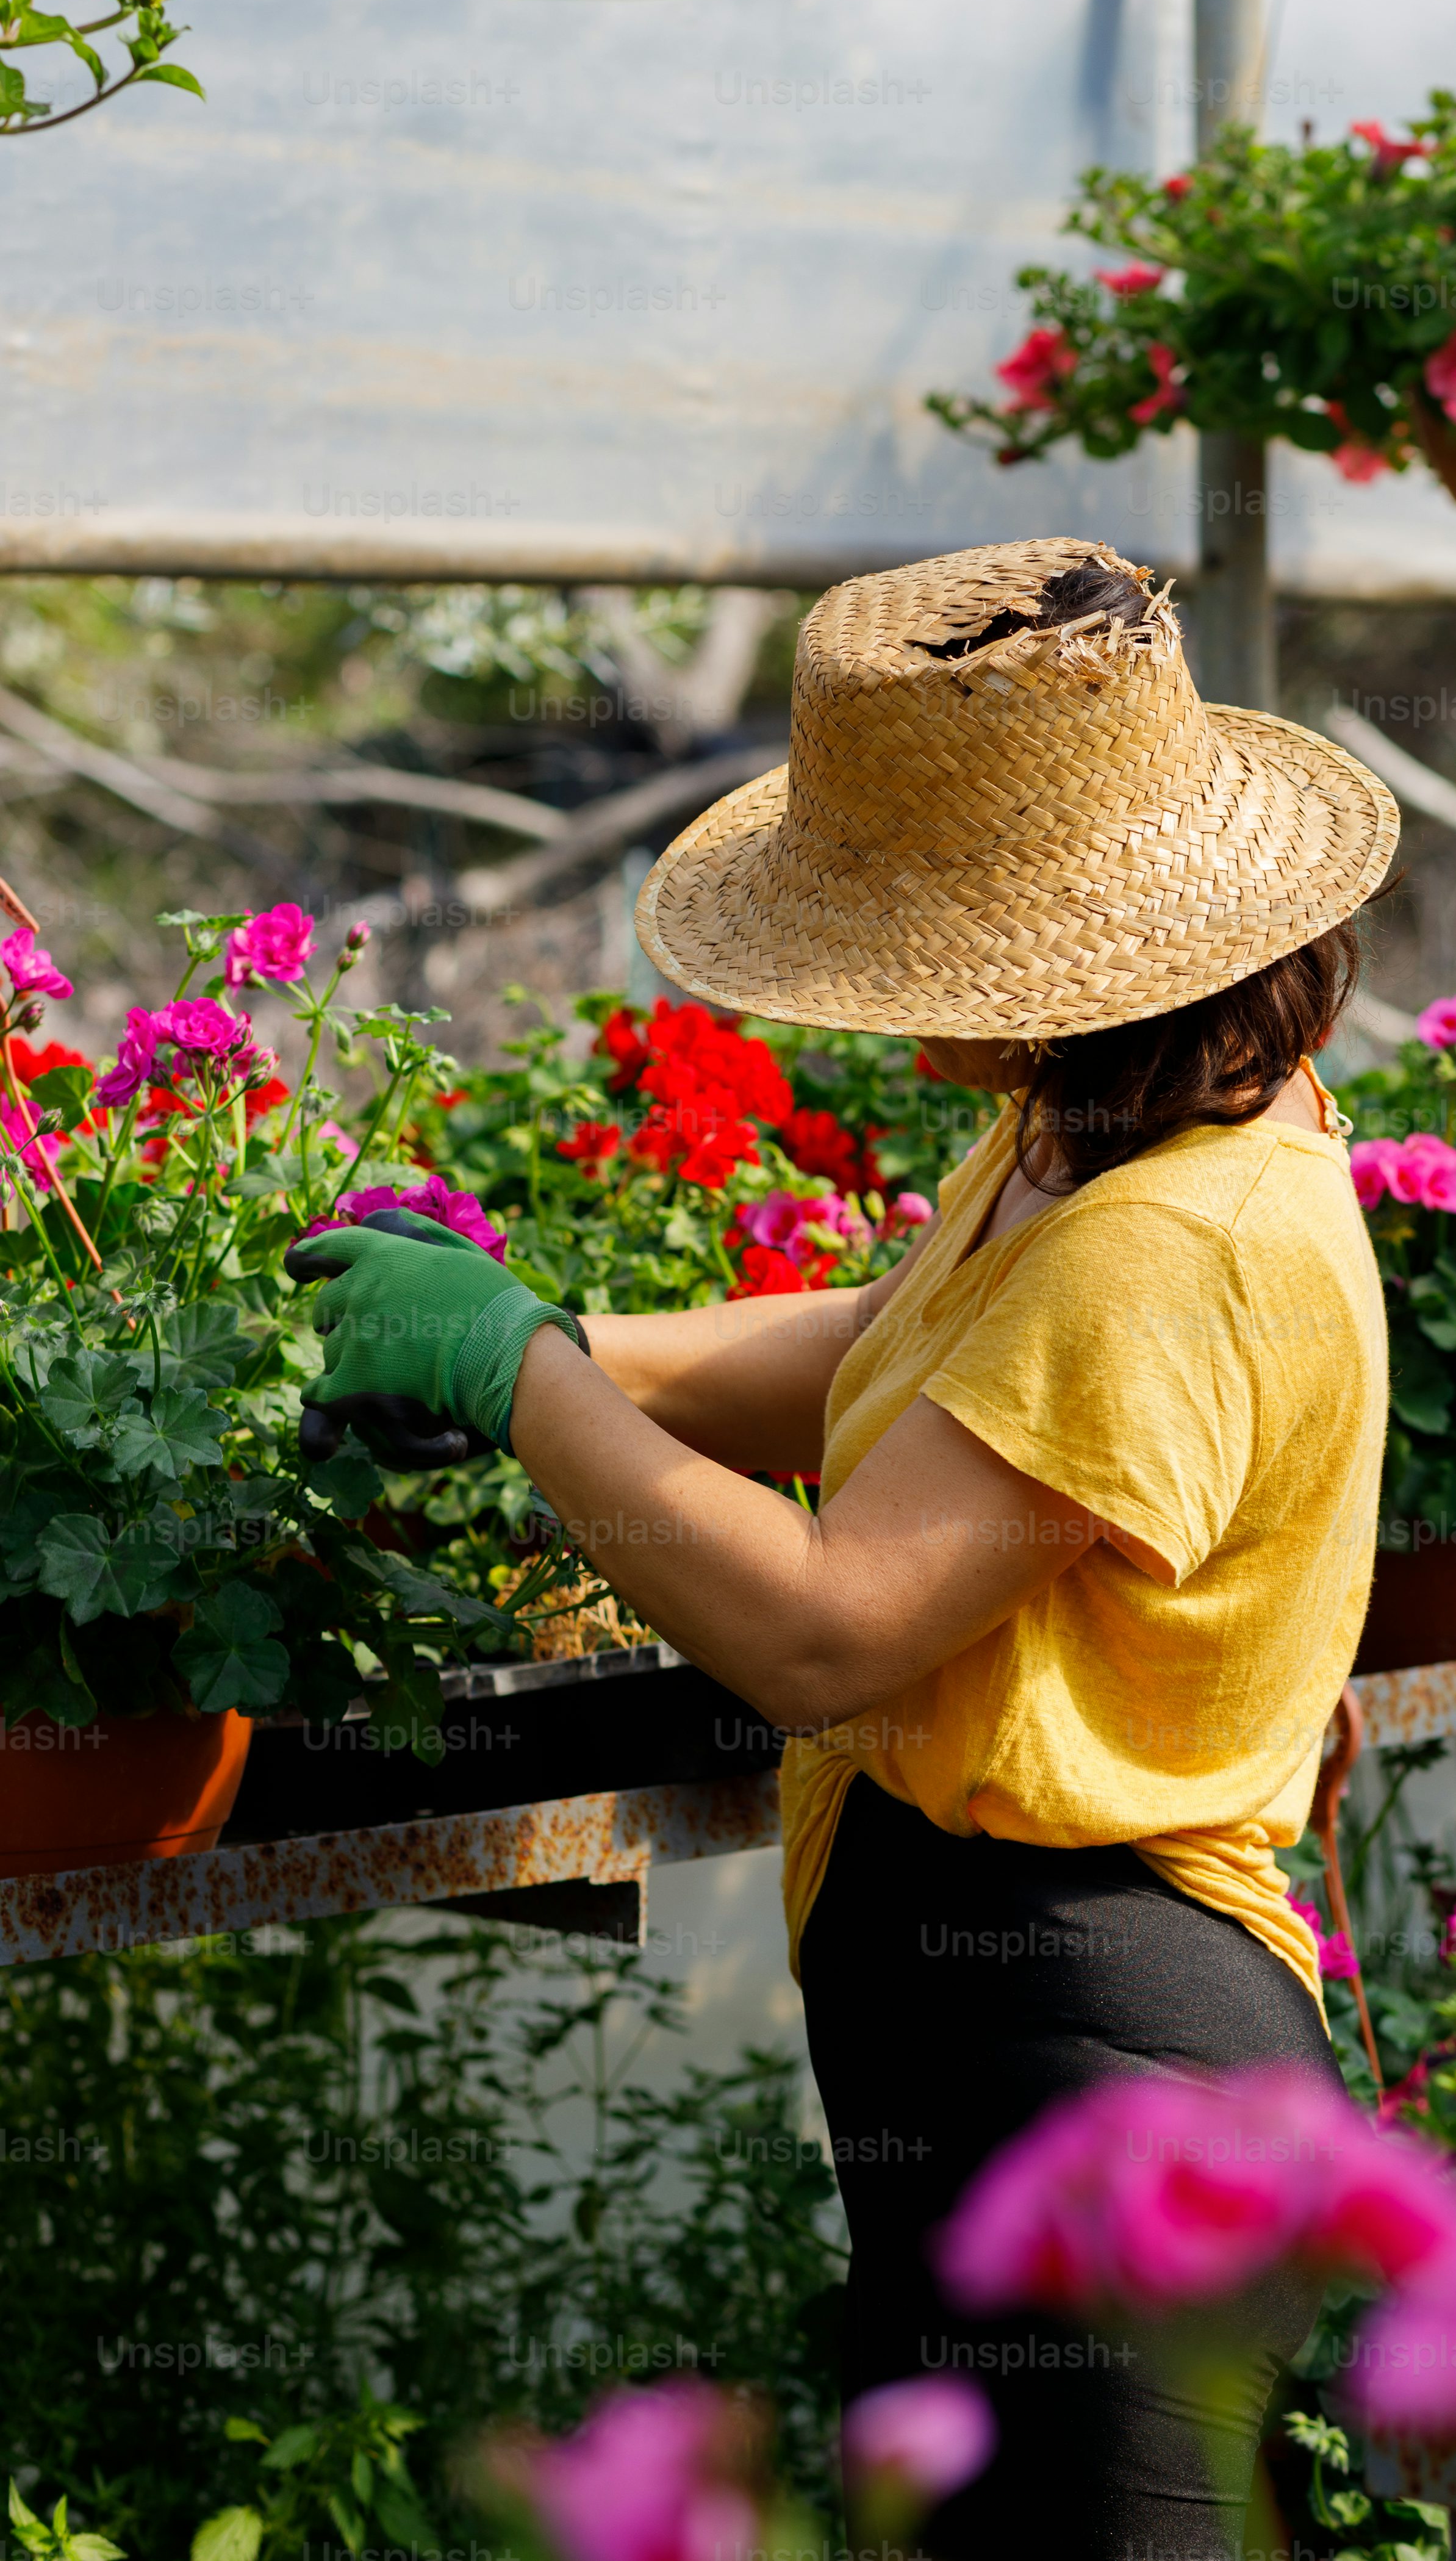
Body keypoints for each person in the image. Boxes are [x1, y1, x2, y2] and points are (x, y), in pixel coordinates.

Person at [290, 539, 1400, 2560]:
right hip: (1023, 2024)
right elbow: (902, 1361)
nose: (883, 1003)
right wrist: (567, 1335)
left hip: (1101, 2052)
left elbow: (823, 1632)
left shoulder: (1169, 1248)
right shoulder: (1137, 1121)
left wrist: (523, 1383)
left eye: (915, 941)